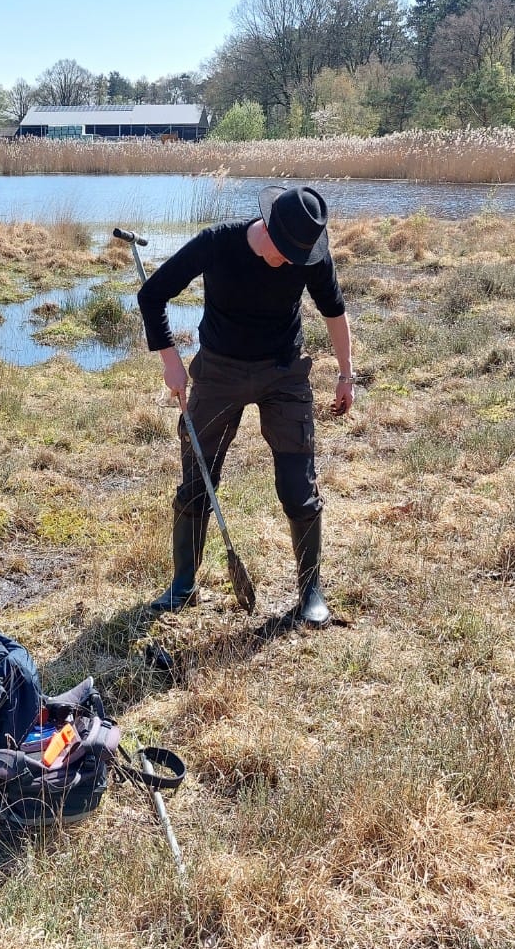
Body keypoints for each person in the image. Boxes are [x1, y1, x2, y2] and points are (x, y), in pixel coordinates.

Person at [135, 183, 354, 630]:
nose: (291, 264)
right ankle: (182, 584)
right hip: (219, 371)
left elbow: (333, 309)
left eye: (299, 257)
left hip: (284, 372)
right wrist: (171, 361)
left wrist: (346, 373)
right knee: (197, 481)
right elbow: (151, 295)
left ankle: (310, 591)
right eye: (285, 254)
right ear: (267, 228)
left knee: (298, 485)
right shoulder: (218, 243)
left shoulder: (307, 252)